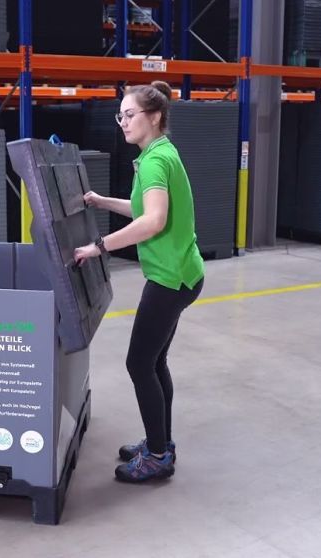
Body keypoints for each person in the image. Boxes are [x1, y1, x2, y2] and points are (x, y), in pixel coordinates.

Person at [73, 81, 205, 483]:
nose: (123, 122)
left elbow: (153, 221)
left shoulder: (153, 160)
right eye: (121, 115)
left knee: (139, 362)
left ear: (155, 117)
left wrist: (99, 246)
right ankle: (159, 441)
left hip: (170, 277)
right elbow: (143, 206)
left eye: (130, 115)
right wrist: (101, 201)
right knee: (154, 360)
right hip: (183, 273)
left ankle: (159, 455)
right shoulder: (161, 153)